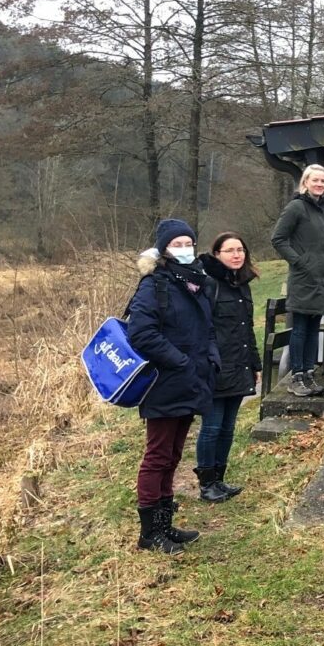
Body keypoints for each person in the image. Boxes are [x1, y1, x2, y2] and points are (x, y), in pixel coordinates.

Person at [128, 219, 220, 555]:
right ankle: (150, 533)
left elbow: (206, 327)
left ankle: (165, 525)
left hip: (192, 380)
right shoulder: (154, 285)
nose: (184, 248)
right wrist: (180, 361)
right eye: (177, 243)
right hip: (165, 382)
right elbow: (141, 333)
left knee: (173, 455)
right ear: (164, 248)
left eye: (188, 242)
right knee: (157, 455)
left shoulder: (194, 282)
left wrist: (211, 358)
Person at [195, 232, 262, 503]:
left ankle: (219, 480)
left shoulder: (242, 283)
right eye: (230, 250)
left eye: (240, 250)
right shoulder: (209, 283)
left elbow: (248, 330)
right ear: (217, 254)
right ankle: (206, 483)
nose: (237, 255)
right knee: (211, 427)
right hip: (216, 367)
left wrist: (255, 364)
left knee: (228, 427)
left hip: (239, 365)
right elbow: (200, 328)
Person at [271, 164, 324, 398]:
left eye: (323, 181)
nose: (319, 184)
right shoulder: (296, 207)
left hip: (323, 279)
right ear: (305, 182)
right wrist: (299, 262)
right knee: (299, 329)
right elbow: (278, 239)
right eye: (315, 180)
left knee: (313, 329)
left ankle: (309, 374)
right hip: (303, 279)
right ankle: (296, 376)